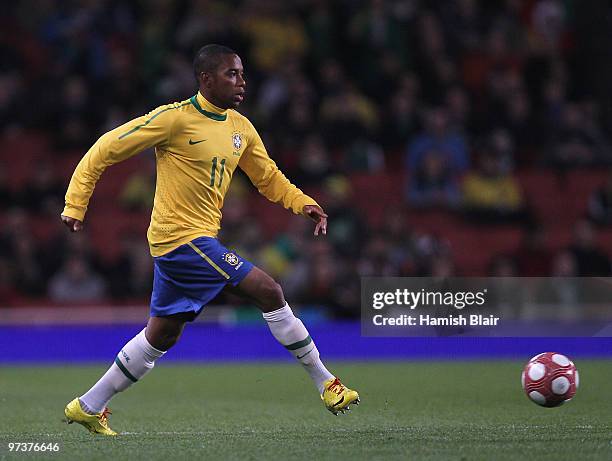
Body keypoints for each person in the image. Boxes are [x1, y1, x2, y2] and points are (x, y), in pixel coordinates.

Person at [60, 44, 359, 436]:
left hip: (187, 244)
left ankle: (87, 405)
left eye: (242, 74)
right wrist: (76, 203)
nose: (242, 82)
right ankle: (327, 384)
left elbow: (267, 177)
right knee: (270, 291)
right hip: (182, 239)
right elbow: (105, 148)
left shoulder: (240, 128)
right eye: (232, 74)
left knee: (161, 335)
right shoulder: (173, 119)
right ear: (206, 79)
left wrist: (302, 203)